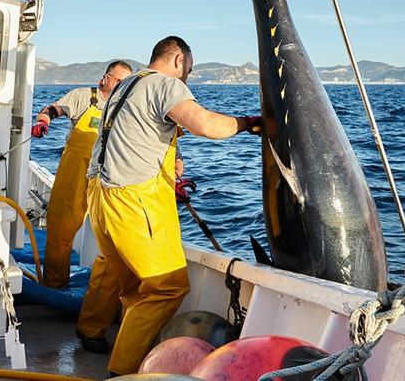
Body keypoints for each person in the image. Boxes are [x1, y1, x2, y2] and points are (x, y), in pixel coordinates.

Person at [76, 36, 261, 376]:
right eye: (188, 70)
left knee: (132, 284)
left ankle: (90, 331)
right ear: (177, 59)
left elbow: (136, 134)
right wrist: (247, 123)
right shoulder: (165, 85)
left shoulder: (127, 84)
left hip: (100, 198)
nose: (187, 78)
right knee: (167, 287)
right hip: (133, 201)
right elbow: (204, 123)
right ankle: (122, 372)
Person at [31, 60, 133, 289]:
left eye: (127, 84)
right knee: (61, 230)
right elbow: (52, 109)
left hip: (109, 178)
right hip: (75, 175)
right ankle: (54, 284)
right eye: (119, 81)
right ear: (106, 79)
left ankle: (111, 289)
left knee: (117, 236)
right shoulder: (84, 97)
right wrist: (43, 120)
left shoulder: (126, 109)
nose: (123, 87)